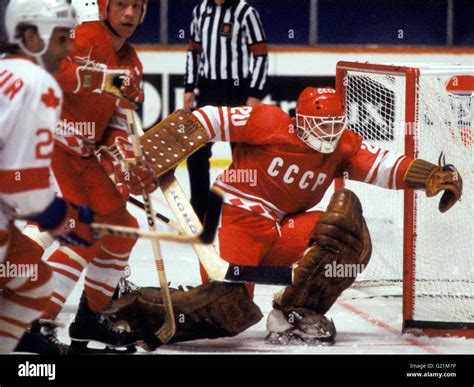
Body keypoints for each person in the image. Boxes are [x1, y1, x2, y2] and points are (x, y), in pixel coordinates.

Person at [109, 87, 462, 348]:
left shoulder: (342, 146)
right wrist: (154, 154)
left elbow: (383, 164)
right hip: (243, 217)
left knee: (346, 230)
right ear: (301, 121)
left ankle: (293, 313)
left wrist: (428, 176)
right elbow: (209, 119)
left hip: (285, 228)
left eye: (334, 125)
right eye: (320, 125)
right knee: (228, 309)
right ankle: (131, 310)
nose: (328, 134)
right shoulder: (269, 122)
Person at [16, 0, 156, 354]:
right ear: (105, 7)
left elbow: (118, 122)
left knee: (122, 231)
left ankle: (90, 320)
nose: (128, 15)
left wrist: (129, 159)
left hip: (79, 157)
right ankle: (33, 322)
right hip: (44, 146)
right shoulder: (84, 37)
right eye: (121, 5)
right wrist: (95, 78)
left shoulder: (132, 62)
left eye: (136, 7)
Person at [0, 0, 97, 354]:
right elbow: (18, 186)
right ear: (30, 35)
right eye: (60, 38)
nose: (69, 48)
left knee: (37, 281)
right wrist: (62, 216)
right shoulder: (40, 84)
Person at [183, 0, 269, 221]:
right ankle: (199, 209)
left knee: (242, 154)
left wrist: (255, 94)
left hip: (237, 90)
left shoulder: (246, 12)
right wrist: (189, 87)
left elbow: (260, 54)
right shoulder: (200, 10)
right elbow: (194, 51)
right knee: (196, 151)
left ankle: (245, 210)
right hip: (207, 88)